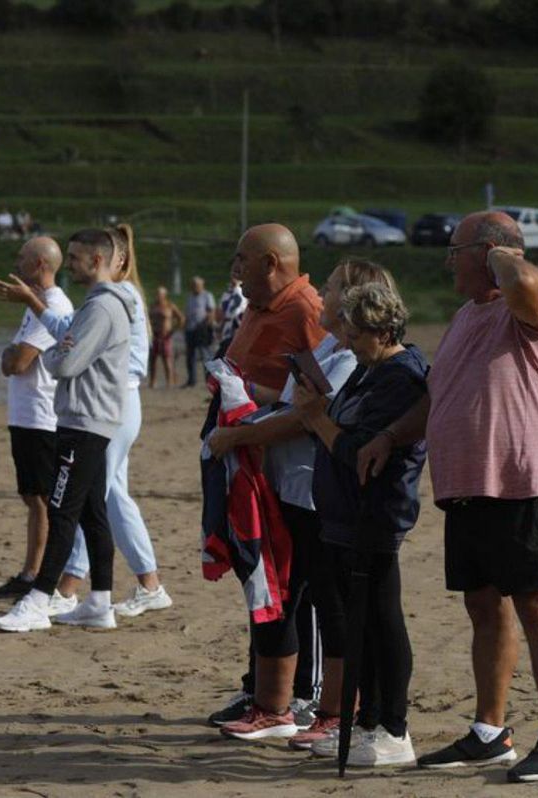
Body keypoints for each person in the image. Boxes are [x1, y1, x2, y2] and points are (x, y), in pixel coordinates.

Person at [358, 211, 538, 783]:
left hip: (524, 478)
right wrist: (389, 436)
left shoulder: (531, 303)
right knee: (483, 605)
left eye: (456, 251)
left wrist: (498, 250)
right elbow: (438, 397)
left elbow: (526, 281)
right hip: (467, 483)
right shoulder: (465, 316)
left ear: (487, 255)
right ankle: (490, 730)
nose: (447, 261)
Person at [205, 259, 390, 750]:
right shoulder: (328, 345)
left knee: (329, 603)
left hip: (317, 493)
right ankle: (273, 706)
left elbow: (306, 419)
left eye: (327, 289)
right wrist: (236, 386)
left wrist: (236, 434)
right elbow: (289, 401)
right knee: (281, 597)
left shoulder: (351, 357)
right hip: (289, 486)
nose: (319, 297)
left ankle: (333, 711)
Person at [0, 226, 173, 620]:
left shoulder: (108, 304)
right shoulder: (103, 302)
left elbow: (64, 361)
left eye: (74, 258)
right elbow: (69, 336)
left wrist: (57, 354)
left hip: (97, 412)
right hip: (104, 409)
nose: (69, 265)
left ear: (101, 261)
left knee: (68, 507)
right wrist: (42, 314)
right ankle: (101, 600)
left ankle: (49, 596)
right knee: (97, 505)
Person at [291, 281, 429, 766]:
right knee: (360, 625)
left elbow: (355, 450)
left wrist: (314, 416)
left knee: (381, 620)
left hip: (375, 515)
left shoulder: (399, 376)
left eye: (355, 331)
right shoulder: (371, 369)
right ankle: (366, 721)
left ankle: (392, 728)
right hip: (345, 517)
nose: (346, 341)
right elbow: (342, 427)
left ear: (384, 329)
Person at [203, 223, 326, 732]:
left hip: (298, 473)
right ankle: (260, 687)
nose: (233, 271)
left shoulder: (307, 310)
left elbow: (322, 396)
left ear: (271, 263)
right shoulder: (255, 308)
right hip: (258, 470)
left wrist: (249, 394)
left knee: (298, 589)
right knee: (262, 578)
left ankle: (302, 695)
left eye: (241, 261)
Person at [0, 236, 74, 601]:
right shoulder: (36, 305)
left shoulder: (51, 304)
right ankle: (32, 572)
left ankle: (40, 576)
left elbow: (17, 362)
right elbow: (15, 359)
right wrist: (11, 356)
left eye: (22, 258)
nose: (16, 263)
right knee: (33, 497)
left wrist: (9, 356)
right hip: (26, 414)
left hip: (40, 415)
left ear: (39, 265)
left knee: (43, 499)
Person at [148, 285, 184, 389]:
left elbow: (181, 318)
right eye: (157, 294)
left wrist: (174, 330)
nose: (157, 296)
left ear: (164, 295)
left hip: (166, 336)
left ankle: (169, 381)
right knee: (153, 360)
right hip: (154, 335)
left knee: (167, 359)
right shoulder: (153, 306)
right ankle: (152, 381)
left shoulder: (169, 306)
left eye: (160, 294)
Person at [183, 276, 216, 387]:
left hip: (202, 329)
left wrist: (206, 326)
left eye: (197, 285)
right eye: (193, 285)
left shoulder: (207, 295)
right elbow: (187, 313)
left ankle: (209, 381)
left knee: (206, 355)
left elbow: (211, 312)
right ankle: (191, 380)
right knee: (190, 356)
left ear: (202, 285)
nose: (195, 287)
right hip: (190, 329)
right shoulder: (190, 297)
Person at [213, 275, 246, 354]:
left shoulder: (240, 292)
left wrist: (222, 324)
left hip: (234, 328)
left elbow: (234, 313)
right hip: (226, 327)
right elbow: (221, 309)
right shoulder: (227, 293)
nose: (233, 279)